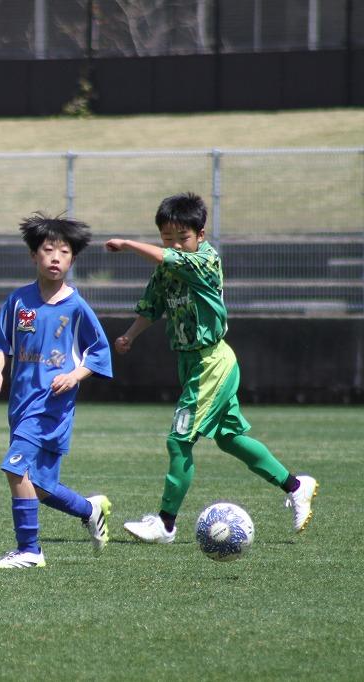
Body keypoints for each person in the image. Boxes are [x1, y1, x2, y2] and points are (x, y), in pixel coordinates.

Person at [105, 192, 317, 543]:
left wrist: (128, 244)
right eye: (167, 238)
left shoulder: (205, 260)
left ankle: (165, 524)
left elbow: (169, 258)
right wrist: (130, 335)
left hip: (211, 362)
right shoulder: (167, 269)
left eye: (182, 238)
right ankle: (296, 486)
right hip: (191, 362)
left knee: (179, 440)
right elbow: (153, 306)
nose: (175, 245)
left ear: (200, 235)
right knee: (230, 439)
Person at [0, 213, 114, 569]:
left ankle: (30, 551)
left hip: (52, 407)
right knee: (36, 487)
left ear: (72, 259)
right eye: (48, 250)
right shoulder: (18, 301)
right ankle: (90, 509)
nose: (56, 257)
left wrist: (74, 376)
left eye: (64, 252)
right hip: (20, 405)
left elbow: (99, 353)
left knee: (14, 469)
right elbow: (0, 342)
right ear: (33, 256)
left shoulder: (76, 307)